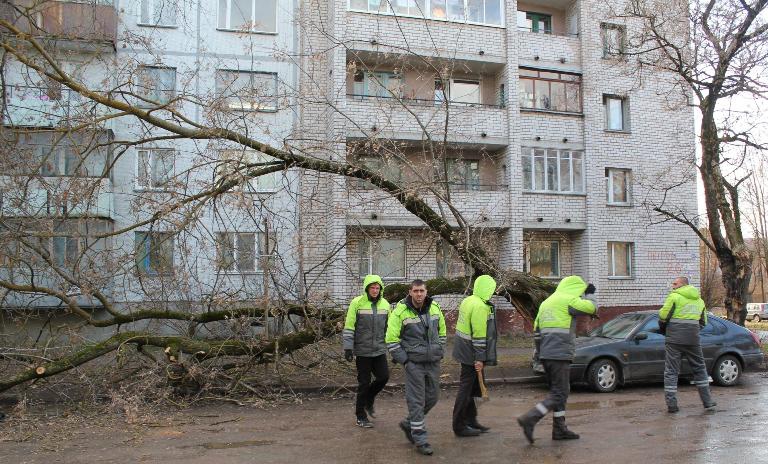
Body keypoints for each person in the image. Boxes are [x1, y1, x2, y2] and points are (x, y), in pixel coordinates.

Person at [517, 276, 596, 444]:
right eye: (580, 292)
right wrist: (590, 294)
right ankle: (530, 418)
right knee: (560, 393)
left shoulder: (547, 303)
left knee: (559, 391)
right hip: (560, 354)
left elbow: (537, 331)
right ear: (575, 288)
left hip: (546, 355)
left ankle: (559, 429)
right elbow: (591, 308)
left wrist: (540, 355)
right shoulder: (569, 300)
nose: (580, 295)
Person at [386, 279, 446, 456]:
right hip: (413, 363)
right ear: (410, 292)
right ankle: (420, 439)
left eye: (422, 291)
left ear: (426, 292)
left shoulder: (435, 308)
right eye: (416, 291)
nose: (419, 294)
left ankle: (408, 423)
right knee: (416, 401)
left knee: (433, 397)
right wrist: (405, 361)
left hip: (433, 362)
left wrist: (440, 351)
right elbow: (391, 340)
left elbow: (442, 332)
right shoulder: (400, 312)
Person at [659, 276, 716, 413]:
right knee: (700, 369)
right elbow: (703, 322)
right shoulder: (700, 301)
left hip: (674, 340)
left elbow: (663, 316)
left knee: (671, 371)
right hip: (693, 340)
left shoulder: (674, 297)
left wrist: (666, 328)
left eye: (675, 283)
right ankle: (708, 402)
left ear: (682, 285)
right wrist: (692, 331)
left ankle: (672, 405)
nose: (673, 286)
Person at [342, 274, 391, 428]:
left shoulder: (385, 305)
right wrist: (348, 348)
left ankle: (369, 399)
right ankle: (360, 415)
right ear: (367, 288)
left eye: (377, 288)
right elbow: (349, 326)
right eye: (372, 288)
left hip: (379, 350)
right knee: (364, 383)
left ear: (381, 289)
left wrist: (394, 349)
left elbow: (390, 329)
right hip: (362, 351)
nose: (375, 290)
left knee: (383, 377)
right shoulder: (357, 303)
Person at [451, 274, 497, 437]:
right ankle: (459, 425)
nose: (493, 292)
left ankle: (471, 420)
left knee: (472, 387)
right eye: (492, 289)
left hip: (463, 349)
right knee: (466, 389)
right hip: (471, 352)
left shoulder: (469, 300)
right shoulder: (480, 306)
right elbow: (479, 335)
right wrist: (479, 358)